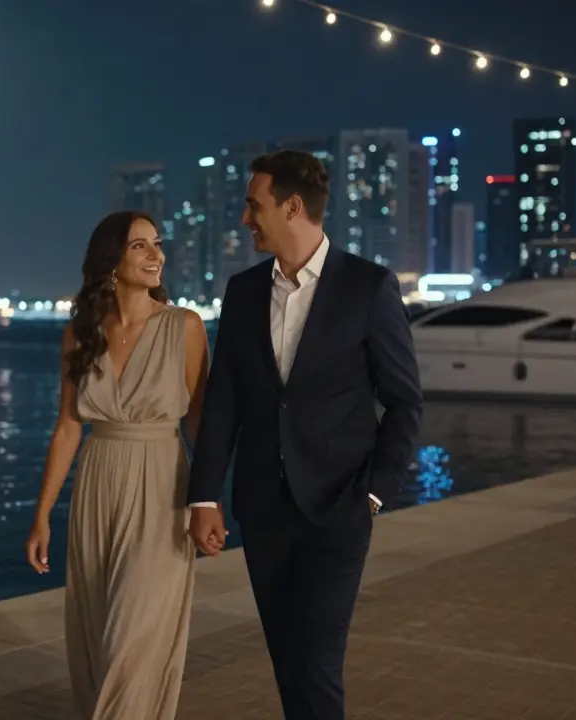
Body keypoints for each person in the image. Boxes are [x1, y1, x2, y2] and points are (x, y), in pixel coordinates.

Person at [187, 150, 423, 719]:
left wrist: (370, 494)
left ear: (292, 206)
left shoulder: (369, 287)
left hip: (338, 510)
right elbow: (225, 402)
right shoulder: (242, 292)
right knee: (288, 663)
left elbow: (405, 402)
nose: (245, 219)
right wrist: (204, 494)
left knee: (317, 665)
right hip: (264, 510)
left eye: (253, 205)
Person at [25, 210, 211, 720]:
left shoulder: (185, 327)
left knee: (135, 641)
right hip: (97, 485)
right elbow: (67, 426)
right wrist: (42, 514)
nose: (158, 256)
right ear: (112, 261)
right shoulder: (81, 333)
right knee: (97, 640)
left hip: (162, 488)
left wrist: (209, 500)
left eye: (157, 245)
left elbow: (200, 424)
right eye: (141, 247)